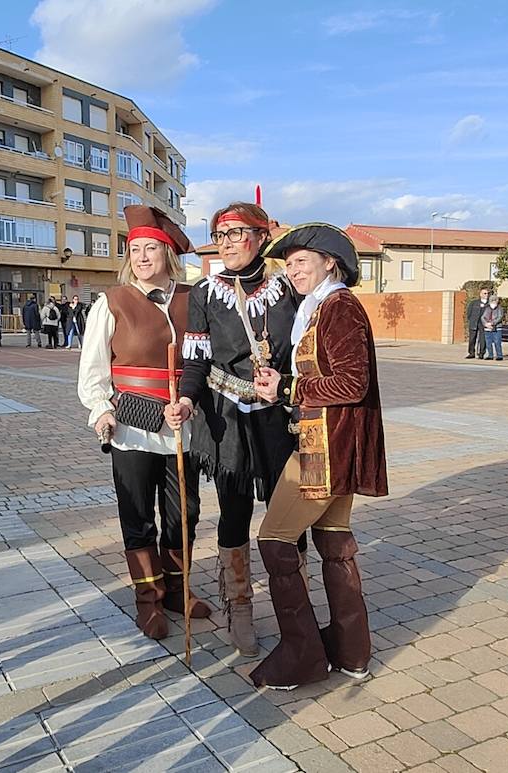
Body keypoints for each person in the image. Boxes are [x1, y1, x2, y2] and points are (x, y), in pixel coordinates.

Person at [248, 223, 386, 691]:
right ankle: (351, 650)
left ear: (331, 262)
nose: (293, 270)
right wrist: (283, 390)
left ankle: (303, 654)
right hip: (337, 442)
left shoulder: (339, 307)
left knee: (275, 538)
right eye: (289, 264)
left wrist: (288, 387)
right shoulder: (322, 307)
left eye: (302, 261)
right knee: (332, 539)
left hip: (324, 448)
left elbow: (352, 383)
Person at [164, 201, 299, 657]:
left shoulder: (288, 290)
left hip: (279, 417)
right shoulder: (203, 293)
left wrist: (289, 386)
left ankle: (291, 605)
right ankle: (239, 604)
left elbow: (304, 349)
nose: (226, 243)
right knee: (235, 510)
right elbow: (196, 360)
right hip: (226, 416)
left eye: (237, 233)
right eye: (221, 235)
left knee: (289, 514)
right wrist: (185, 398)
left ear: (261, 237)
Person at [77, 205, 213, 641]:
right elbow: (93, 369)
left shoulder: (194, 299)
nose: (141, 256)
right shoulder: (112, 301)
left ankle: (177, 589)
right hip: (132, 426)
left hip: (183, 425)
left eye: (150, 248)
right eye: (134, 249)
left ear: (168, 252)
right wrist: (101, 410)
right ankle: (148, 599)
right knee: (137, 517)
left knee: (183, 515)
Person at [464, 288, 491, 359]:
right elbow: (469, 313)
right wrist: (471, 320)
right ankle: (471, 353)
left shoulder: (489, 304)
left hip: (483, 323)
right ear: (480, 294)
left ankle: (481, 353)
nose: (486, 295)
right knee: (472, 339)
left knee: (483, 339)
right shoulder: (474, 303)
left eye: (487, 293)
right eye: (485, 293)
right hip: (474, 322)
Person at [481, 294, 504, 360]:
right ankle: (490, 355)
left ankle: (499, 355)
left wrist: (492, 323)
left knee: (497, 342)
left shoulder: (499, 308)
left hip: (497, 328)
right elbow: (483, 317)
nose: (493, 303)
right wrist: (486, 324)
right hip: (487, 328)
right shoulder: (487, 308)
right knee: (488, 342)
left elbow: (500, 317)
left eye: (495, 301)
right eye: (492, 301)